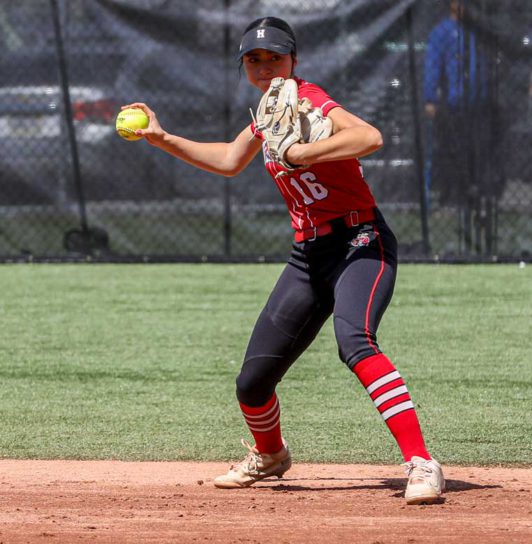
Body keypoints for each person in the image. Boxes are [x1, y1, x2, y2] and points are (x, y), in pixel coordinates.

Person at [121, 16, 444, 505]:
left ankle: (421, 462)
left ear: (295, 60)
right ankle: (270, 455)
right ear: (244, 66)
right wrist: (163, 139)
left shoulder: (310, 99)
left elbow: (370, 138)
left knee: (354, 340)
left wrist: (302, 153)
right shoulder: (268, 113)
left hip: (362, 240)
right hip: (309, 254)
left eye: (275, 56)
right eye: (255, 58)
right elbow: (231, 160)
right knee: (252, 383)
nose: (265, 66)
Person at [423, 0, 489, 251]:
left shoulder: (477, 32)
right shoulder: (442, 32)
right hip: (452, 106)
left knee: (475, 152)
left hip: (477, 105)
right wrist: (431, 98)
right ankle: (447, 198)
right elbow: (433, 65)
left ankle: (472, 198)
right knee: (449, 152)